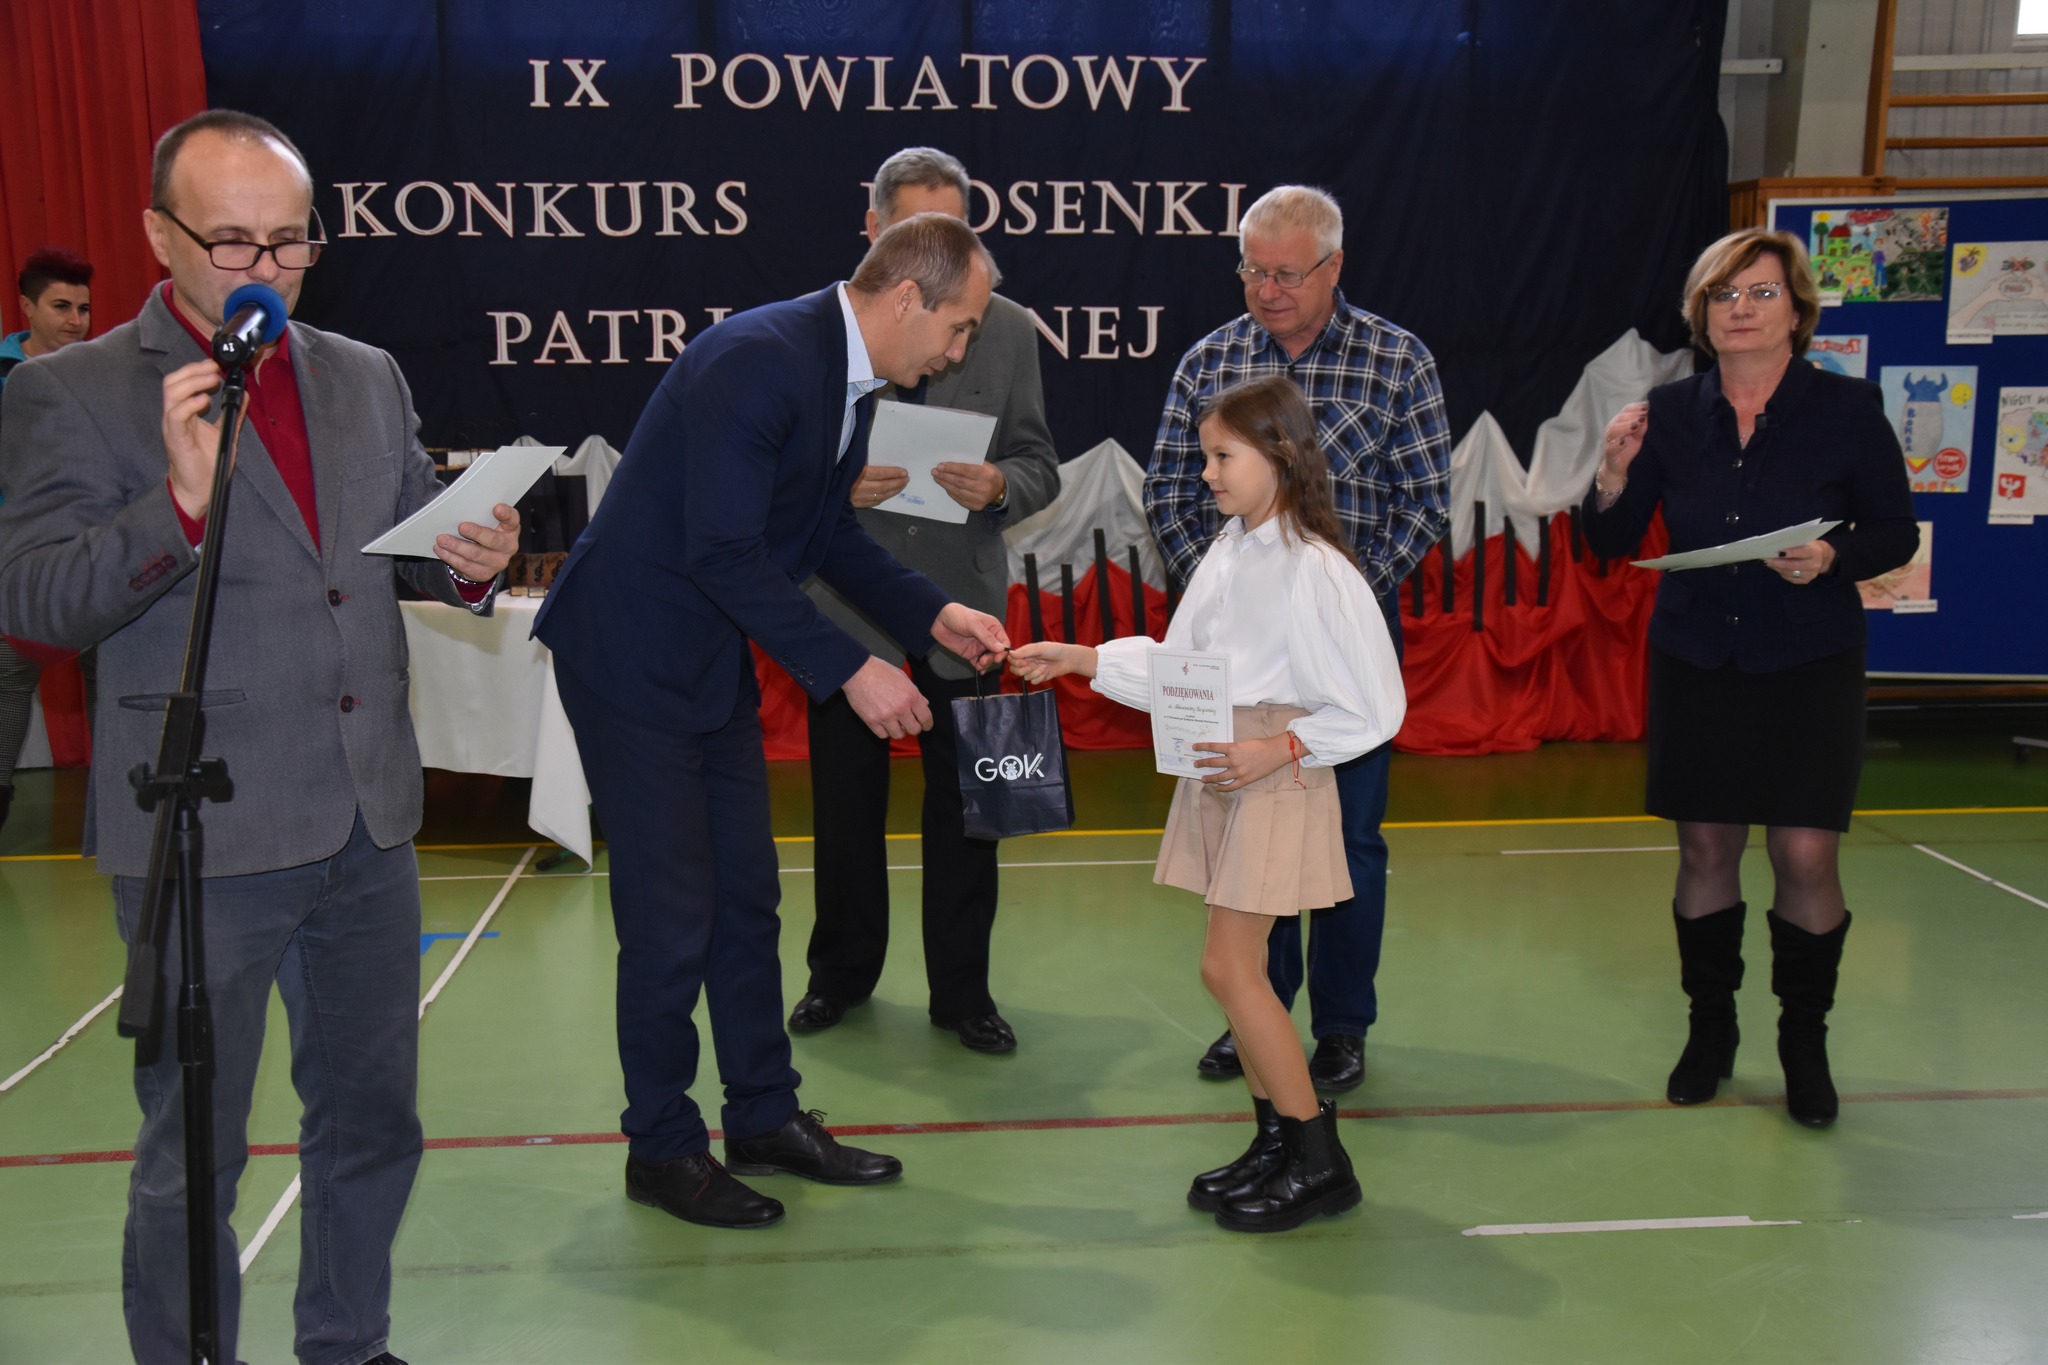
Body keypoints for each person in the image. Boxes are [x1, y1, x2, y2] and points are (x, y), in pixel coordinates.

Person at [0, 110, 519, 1365]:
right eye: (232, 242)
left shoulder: (363, 372)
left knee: (372, 1123)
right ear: (158, 234)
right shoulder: (70, 389)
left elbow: (395, 546)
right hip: (203, 827)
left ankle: (347, 1341)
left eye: (291, 242)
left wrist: (467, 560)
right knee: (195, 1152)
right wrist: (177, 505)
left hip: (366, 818)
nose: (267, 269)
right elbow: (35, 601)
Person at [533, 213, 1013, 1231]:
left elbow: (823, 533)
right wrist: (851, 670)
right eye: (960, 327)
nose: (959, 351)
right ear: (906, 299)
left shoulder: (847, 380)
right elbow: (721, 551)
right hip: (630, 655)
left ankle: (761, 1115)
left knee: (747, 900)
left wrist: (931, 615)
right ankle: (662, 1147)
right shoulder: (759, 360)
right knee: (671, 919)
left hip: (706, 655)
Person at [1013, 374, 1404, 1231]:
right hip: (1226, 762)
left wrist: (1279, 747)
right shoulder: (1231, 550)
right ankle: (1277, 1142)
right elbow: (1183, 666)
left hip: (1274, 768)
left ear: (1282, 455)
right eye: (1206, 457)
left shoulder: (1318, 570)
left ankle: (1320, 1158)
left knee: (1228, 968)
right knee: (1239, 968)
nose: (1207, 474)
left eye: (1223, 457)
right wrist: (1083, 657)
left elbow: (1376, 708)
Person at [1581, 227, 1918, 1129]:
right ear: (1701, 314)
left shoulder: (1848, 408)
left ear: (1797, 311)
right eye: (1723, 295)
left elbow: (1895, 531)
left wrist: (1831, 556)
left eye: (1762, 293)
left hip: (1810, 659)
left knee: (1805, 853)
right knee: (1706, 850)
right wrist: (1611, 474)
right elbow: (1611, 540)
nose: (1741, 309)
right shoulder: (1669, 410)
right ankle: (1711, 1029)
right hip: (1698, 656)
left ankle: (1804, 1041)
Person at [1144, 185, 1449, 1093]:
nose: (1268, 290)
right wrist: (1236, 596)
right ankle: (1256, 1010)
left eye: (1286, 273)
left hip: (1345, 642)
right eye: (1253, 271)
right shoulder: (1210, 359)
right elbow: (1169, 492)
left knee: (1349, 839)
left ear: (1333, 266)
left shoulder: (1398, 359)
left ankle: (1343, 1027)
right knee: (1250, 834)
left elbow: (1423, 501)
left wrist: (1332, 596)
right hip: (1239, 660)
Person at [792, 147, 1058, 1054]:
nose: (941, 249)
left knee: (972, 808)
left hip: (962, 604)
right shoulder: (828, 328)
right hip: (847, 600)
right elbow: (782, 466)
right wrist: (837, 484)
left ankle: (964, 993)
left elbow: (1040, 462)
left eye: (957, 229)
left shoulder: (1008, 327)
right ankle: (839, 975)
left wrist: (1001, 486)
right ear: (874, 231)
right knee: (844, 806)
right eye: (917, 229)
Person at [0, 247, 95, 832]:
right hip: (20, 563)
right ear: (27, 307)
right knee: (8, 679)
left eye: (83, 308)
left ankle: (125, 816)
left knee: (113, 679)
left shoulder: (102, 376)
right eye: (61, 306)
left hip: (98, 558)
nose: (75, 320)